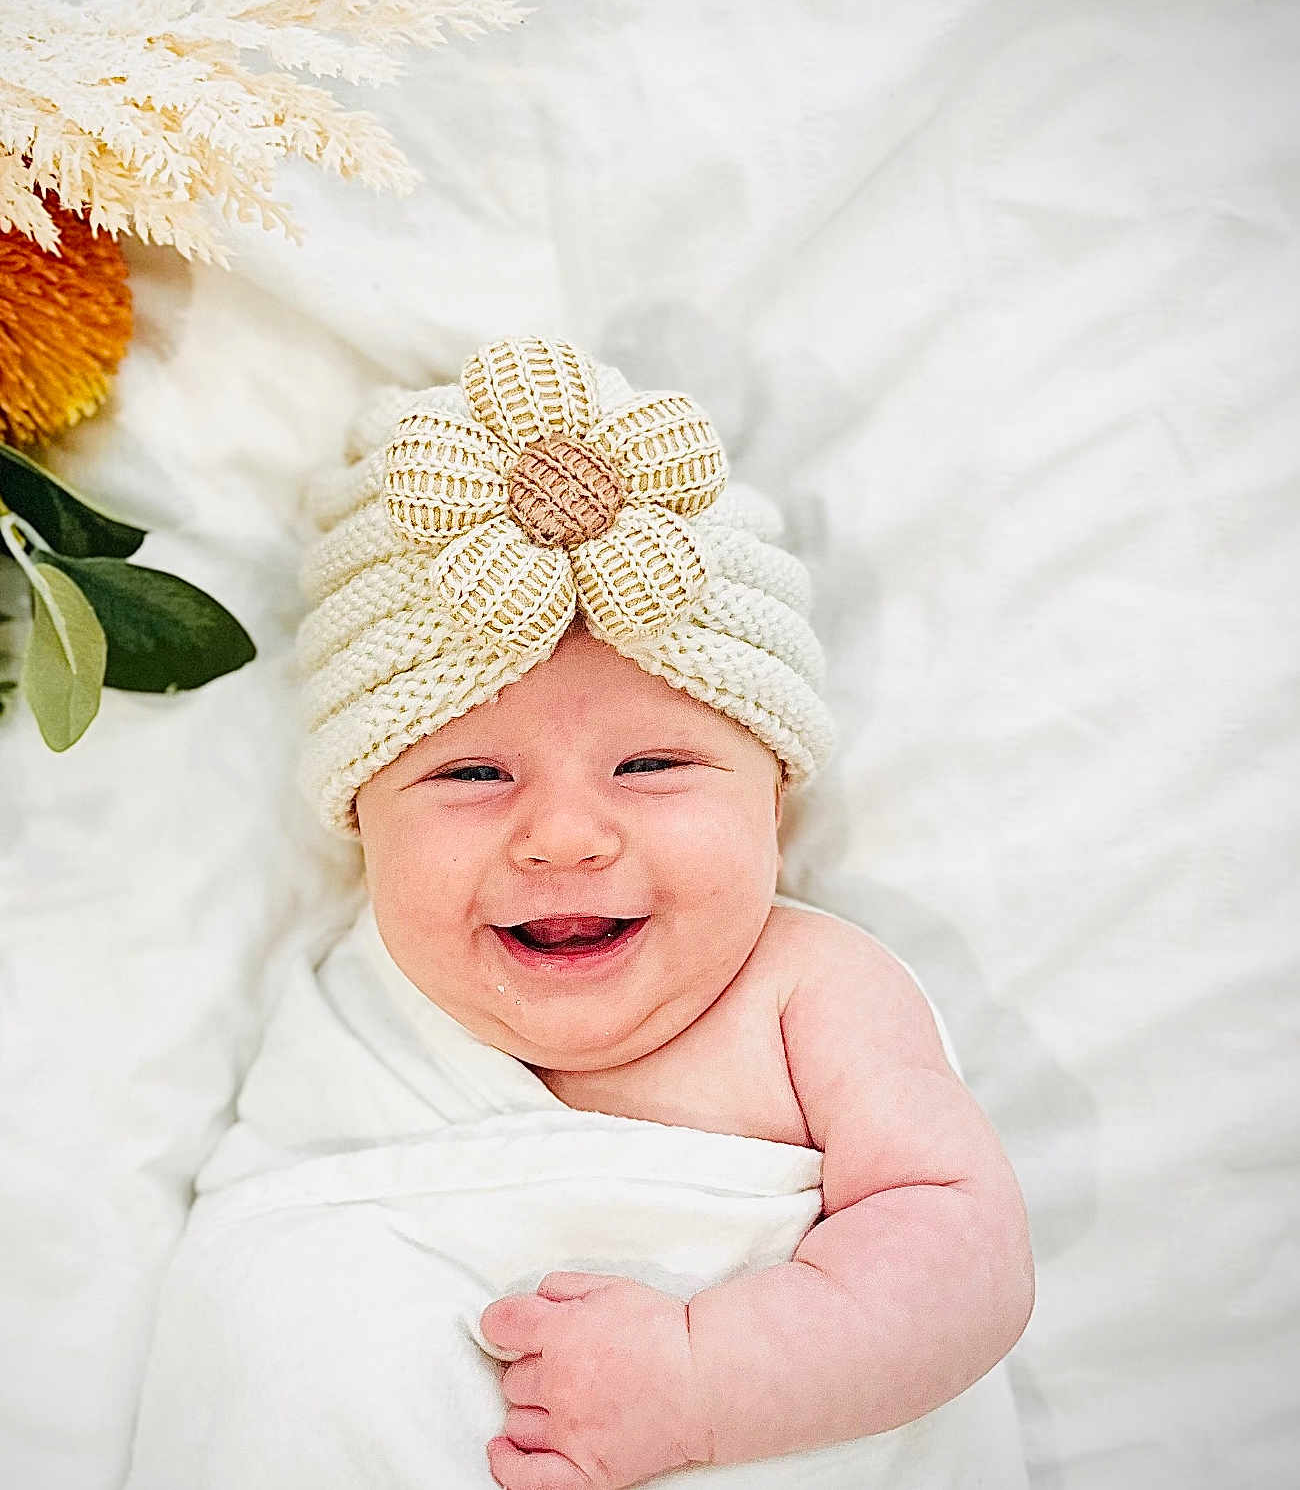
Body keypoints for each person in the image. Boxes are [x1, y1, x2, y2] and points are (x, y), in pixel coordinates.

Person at [122, 334, 1033, 1490]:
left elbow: (965, 1248)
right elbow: (280, 1287)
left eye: (652, 765)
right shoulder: (353, 1004)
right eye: (469, 775)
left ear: (778, 808)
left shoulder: (811, 991)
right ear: (362, 823)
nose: (561, 834)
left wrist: (705, 1381)